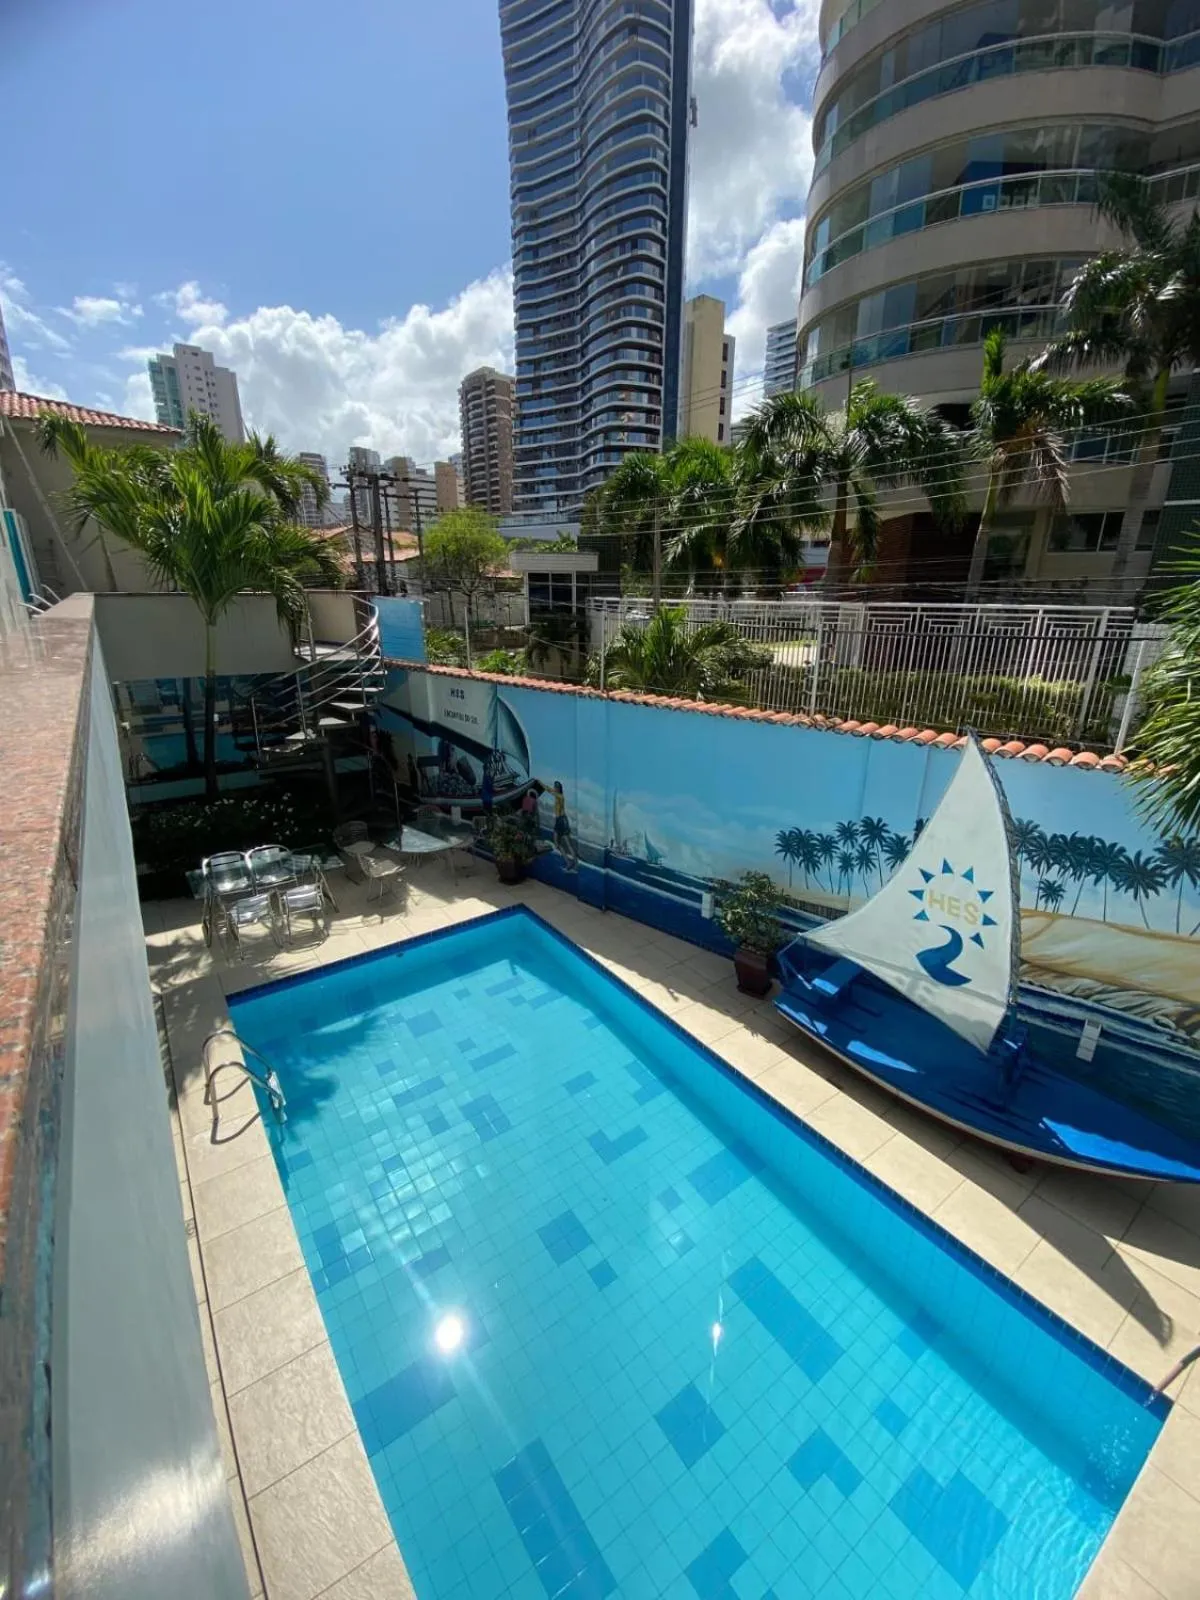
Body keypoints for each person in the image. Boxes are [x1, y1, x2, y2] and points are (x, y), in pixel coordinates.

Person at [550, 780, 578, 869]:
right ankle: (570, 862)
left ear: (558, 788)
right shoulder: (558, 797)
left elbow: (549, 790)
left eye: (555, 787)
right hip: (561, 820)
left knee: (564, 843)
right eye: (554, 787)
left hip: (562, 821)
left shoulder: (559, 796)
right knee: (557, 843)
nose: (554, 788)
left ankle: (573, 863)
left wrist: (539, 783)